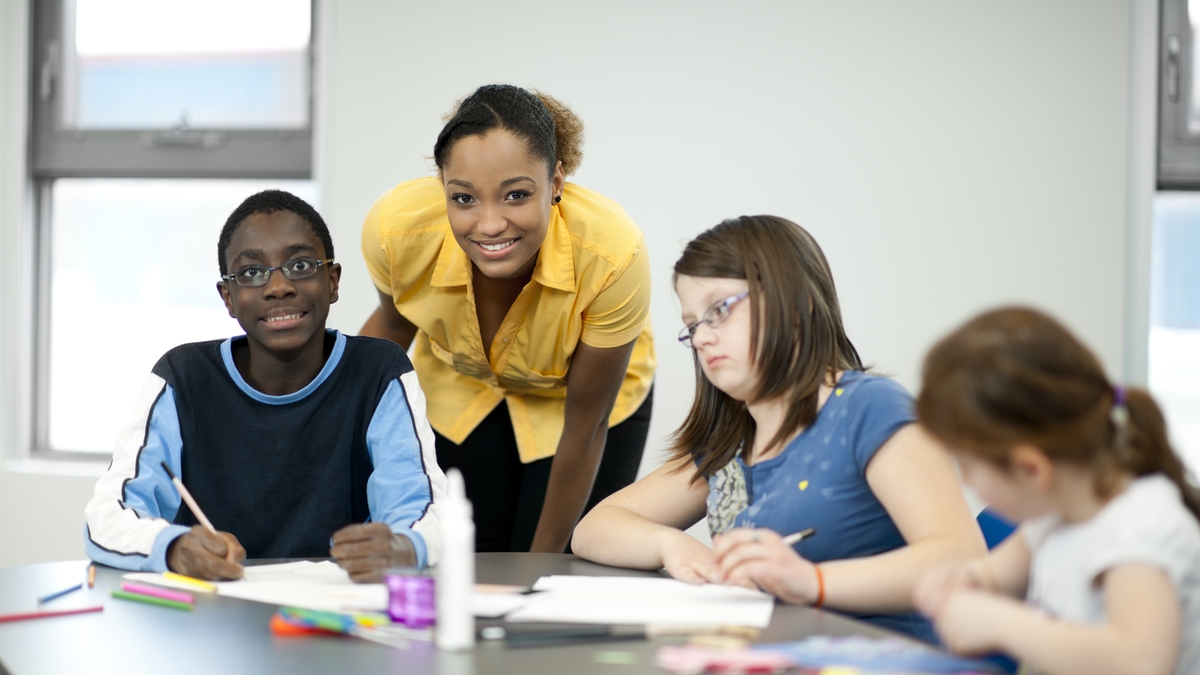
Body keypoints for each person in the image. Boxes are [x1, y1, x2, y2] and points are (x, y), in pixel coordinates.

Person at [572, 215, 985, 641]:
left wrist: (813, 582)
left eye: (718, 311)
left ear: (796, 302)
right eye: (692, 324)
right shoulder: (731, 439)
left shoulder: (869, 408)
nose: (700, 339)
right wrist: (670, 545)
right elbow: (594, 528)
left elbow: (963, 560)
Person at [84, 190, 448, 583]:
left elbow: (425, 507)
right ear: (228, 297)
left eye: (301, 264)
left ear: (333, 280)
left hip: (339, 617)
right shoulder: (183, 377)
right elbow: (107, 516)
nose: (278, 287)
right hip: (214, 618)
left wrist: (403, 545)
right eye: (251, 272)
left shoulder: (378, 371)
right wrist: (172, 547)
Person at [360, 84, 655, 553]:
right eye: (464, 198)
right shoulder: (396, 230)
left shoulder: (612, 254)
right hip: (464, 391)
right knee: (467, 560)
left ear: (556, 183)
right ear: (443, 187)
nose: (490, 224)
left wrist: (539, 570)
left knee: (562, 568)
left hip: (583, 404)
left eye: (516, 195)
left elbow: (585, 426)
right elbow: (393, 328)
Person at [913, 307, 1200, 675]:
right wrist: (963, 580)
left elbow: (1140, 662)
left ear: (1031, 469)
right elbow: (992, 574)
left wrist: (1003, 623)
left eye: (967, 467)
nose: (965, 483)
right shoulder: (1056, 514)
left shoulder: (1140, 528)